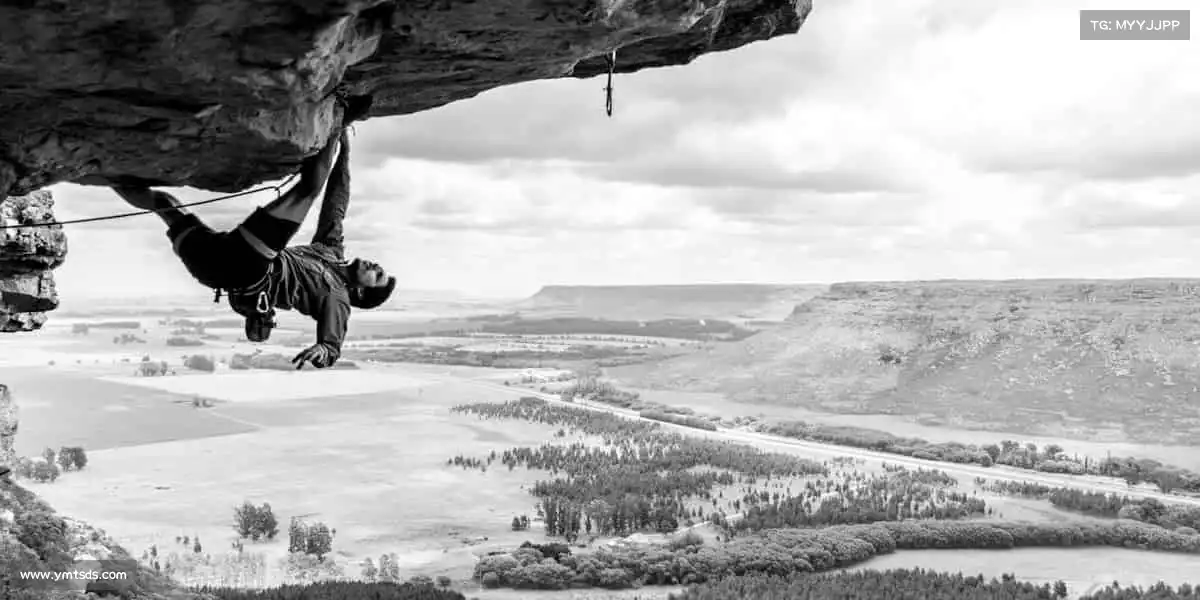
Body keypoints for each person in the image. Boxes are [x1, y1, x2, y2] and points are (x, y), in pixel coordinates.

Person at [111, 128, 395, 369]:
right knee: (164, 203)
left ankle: (338, 116)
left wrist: (326, 350)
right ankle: (106, 169)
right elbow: (336, 204)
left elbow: (332, 344)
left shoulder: (339, 296)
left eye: (378, 277)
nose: (378, 267)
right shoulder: (330, 250)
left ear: (360, 291)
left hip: (247, 266)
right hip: (216, 265)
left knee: (307, 190)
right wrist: (344, 154)